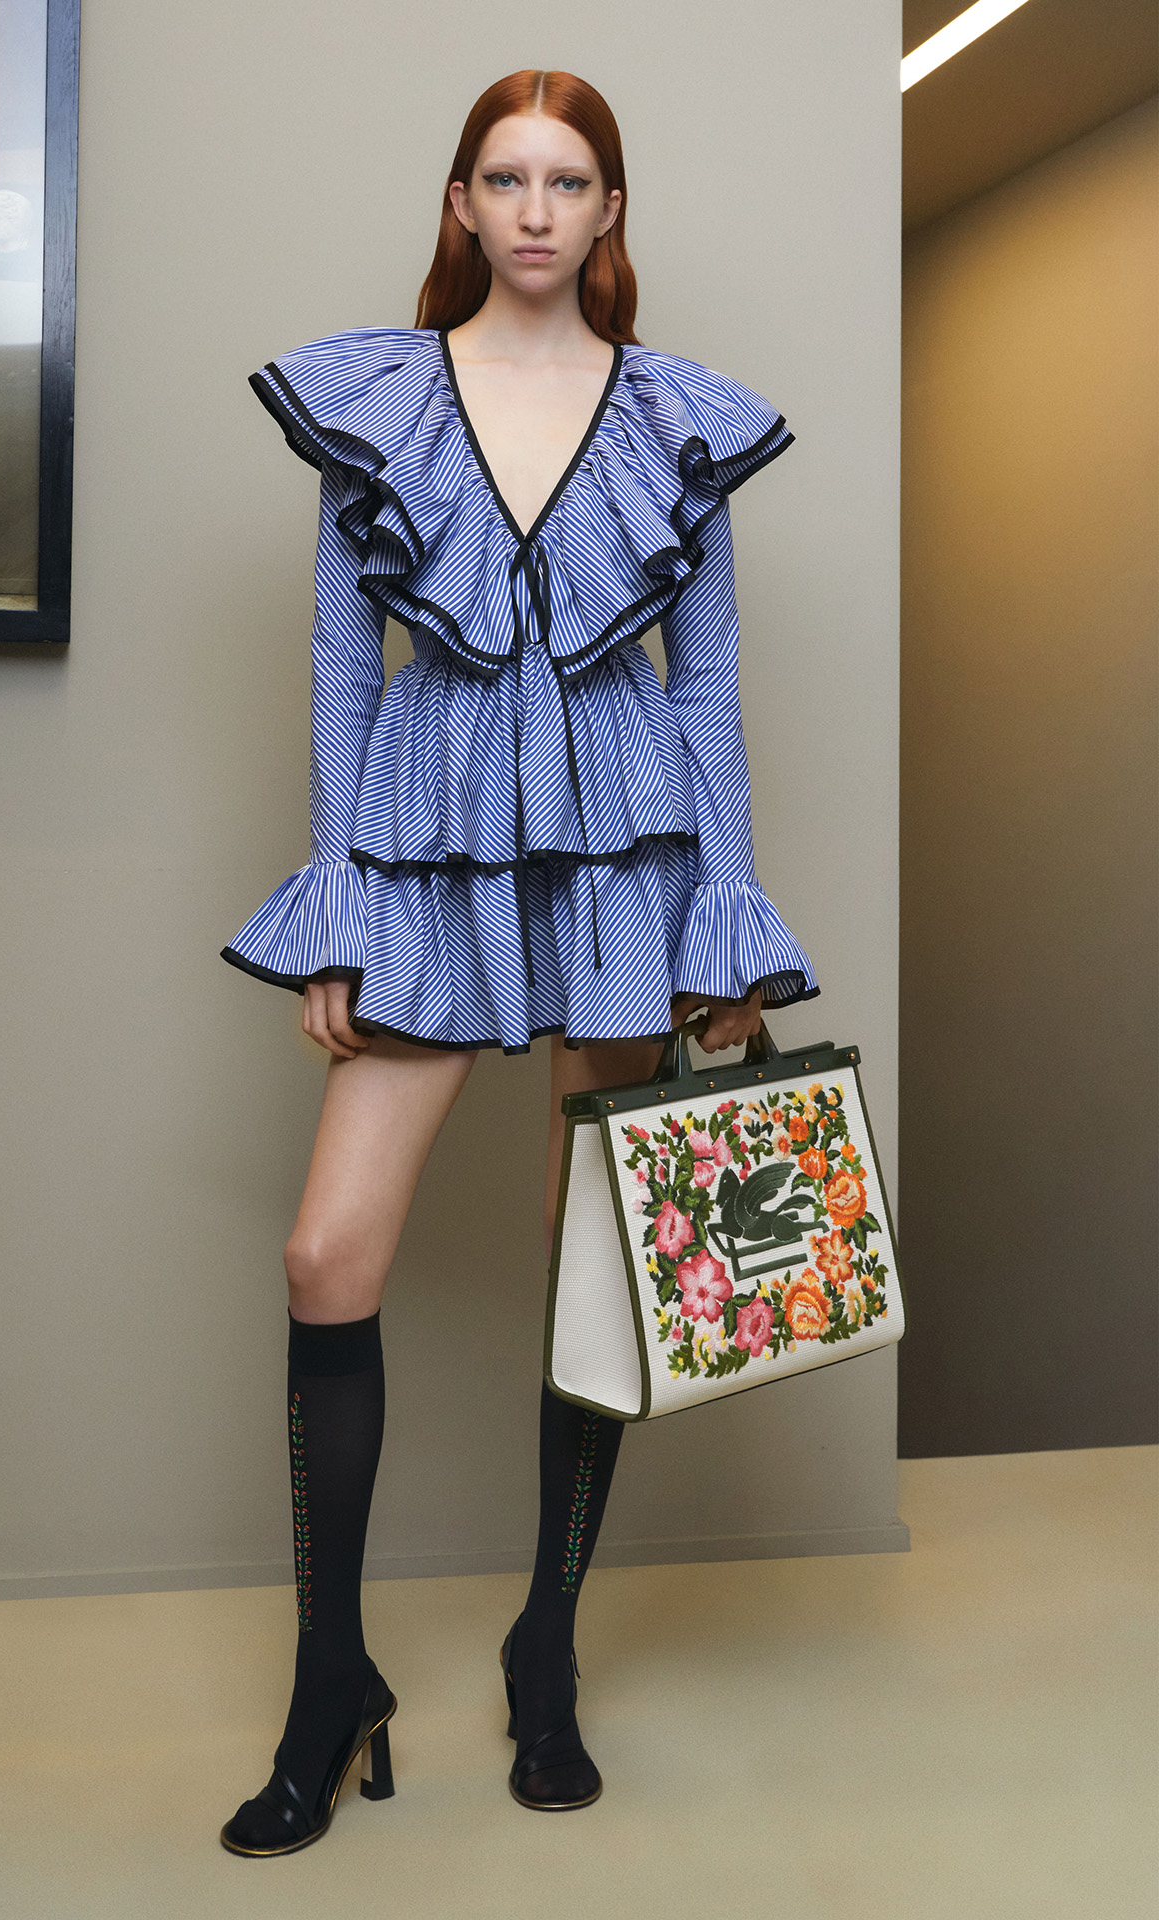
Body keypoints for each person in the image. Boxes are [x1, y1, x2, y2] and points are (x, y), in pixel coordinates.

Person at [217, 68, 818, 1856]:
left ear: (609, 210)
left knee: (596, 1268)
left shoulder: (677, 415)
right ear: (462, 202)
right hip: (424, 834)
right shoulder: (380, 398)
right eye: (506, 177)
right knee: (328, 1254)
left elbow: (708, 681)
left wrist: (727, 922)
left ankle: (544, 1648)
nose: (537, 209)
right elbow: (343, 663)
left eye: (569, 180)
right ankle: (332, 1679)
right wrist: (337, 901)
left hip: (627, 842)